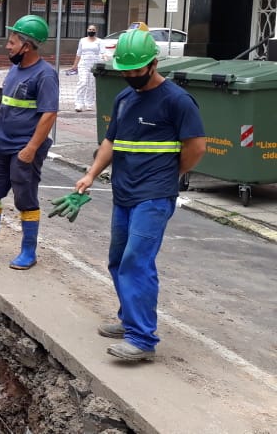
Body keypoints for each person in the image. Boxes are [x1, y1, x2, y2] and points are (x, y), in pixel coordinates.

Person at [74, 30, 205, 361]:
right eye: (125, 71)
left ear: (154, 64)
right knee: (118, 260)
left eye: (136, 71)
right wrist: (90, 174)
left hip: (155, 196)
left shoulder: (176, 100)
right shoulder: (123, 99)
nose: (130, 77)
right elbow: (110, 143)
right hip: (124, 192)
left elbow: (196, 147)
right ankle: (129, 318)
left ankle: (142, 339)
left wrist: (170, 176)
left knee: (137, 261)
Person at [0, 14, 59, 270]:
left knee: (25, 197)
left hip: (23, 148)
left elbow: (49, 114)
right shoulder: (15, 70)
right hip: (2, 145)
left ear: (26, 46)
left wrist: (31, 148)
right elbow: (6, 107)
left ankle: (28, 252)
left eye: (12, 42)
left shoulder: (45, 75)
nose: (7, 46)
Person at [71, 25, 102, 112]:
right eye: (90, 29)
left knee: (91, 84)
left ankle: (89, 104)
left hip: (94, 64)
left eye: (93, 29)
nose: (91, 31)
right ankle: (79, 104)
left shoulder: (99, 41)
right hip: (83, 64)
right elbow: (79, 53)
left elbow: (102, 53)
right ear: (87, 30)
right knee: (83, 82)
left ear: (96, 31)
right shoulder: (82, 40)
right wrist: (75, 65)